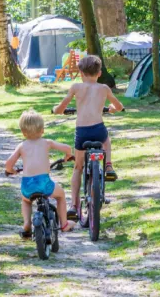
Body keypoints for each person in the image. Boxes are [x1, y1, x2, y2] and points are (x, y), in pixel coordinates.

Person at [52, 54, 124, 220]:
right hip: (98, 129)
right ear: (99, 73)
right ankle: (108, 166)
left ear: (81, 73)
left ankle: (74, 205)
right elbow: (119, 106)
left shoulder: (76, 87)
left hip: (82, 132)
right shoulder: (104, 88)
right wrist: (113, 108)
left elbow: (62, 106)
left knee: (78, 168)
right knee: (106, 140)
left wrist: (57, 110)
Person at [5, 109, 75, 237]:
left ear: (23, 132)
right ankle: (64, 224)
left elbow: (8, 164)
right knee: (60, 195)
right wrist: (68, 156)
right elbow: (67, 148)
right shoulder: (46, 143)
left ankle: (27, 223)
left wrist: (12, 171)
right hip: (44, 183)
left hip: (27, 185)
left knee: (26, 201)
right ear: (42, 130)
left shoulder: (21, 146)